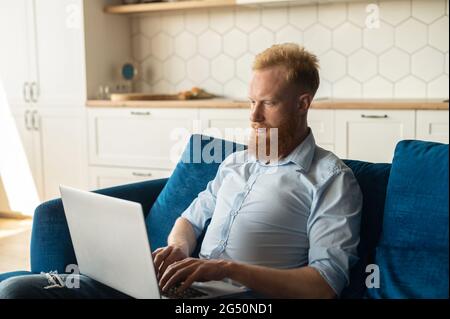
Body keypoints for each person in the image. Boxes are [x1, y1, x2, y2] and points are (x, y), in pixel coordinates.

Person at [0, 43, 362, 299]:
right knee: (16, 289)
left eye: (267, 103)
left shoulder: (330, 179)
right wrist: (178, 248)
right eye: (251, 102)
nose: (253, 117)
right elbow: (189, 222)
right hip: (175, 289)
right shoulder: (235, 163)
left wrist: (226, 269)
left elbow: (324, 285)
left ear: (303, 104)